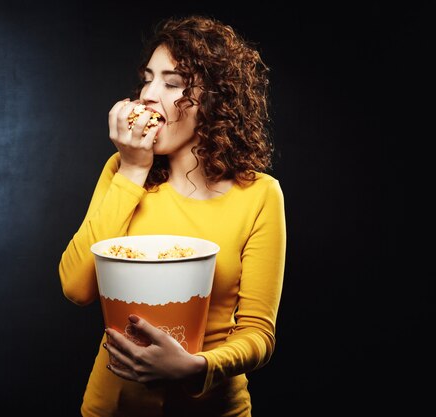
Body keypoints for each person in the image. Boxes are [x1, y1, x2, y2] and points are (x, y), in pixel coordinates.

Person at [59, 15, 286, 417]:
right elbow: (77, 288)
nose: (148, 94)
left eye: (172, 83)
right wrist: (132, 169)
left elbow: (258, 333)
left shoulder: (261, 195)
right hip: (113, 407)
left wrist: (195, 367)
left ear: (215, 101)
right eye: (148, 78)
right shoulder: (123, 171)